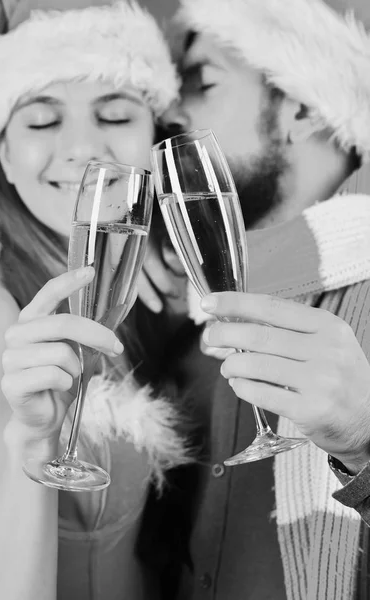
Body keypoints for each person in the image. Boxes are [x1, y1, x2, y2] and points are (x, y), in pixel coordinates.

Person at [142, 1, 370, 599]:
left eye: (202, 81)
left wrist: (365, 445)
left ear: (299, 104)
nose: (167, 110)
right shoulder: (187, 316)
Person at [0, 2, 196, 599]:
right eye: (41, 121)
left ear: (155, 138)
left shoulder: (143, 292)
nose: (83, 149)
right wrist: (32, 450)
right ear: (5, 158)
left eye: (116, 115)